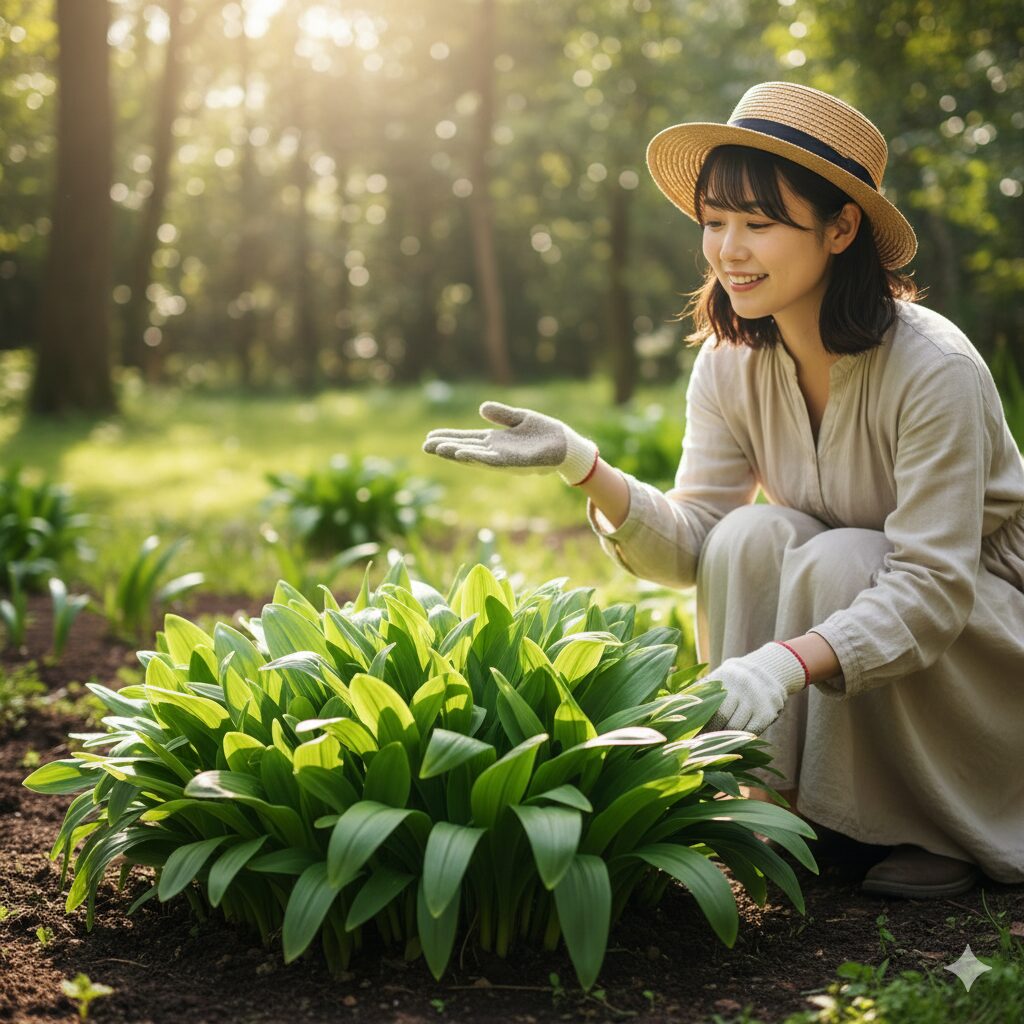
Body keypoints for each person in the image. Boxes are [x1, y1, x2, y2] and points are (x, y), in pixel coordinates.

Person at [422, 81, 1024, 899]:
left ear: (841, 228)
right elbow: (697, 542)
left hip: (981, 638)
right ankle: (778, 804)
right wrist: (583, 465)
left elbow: (932, 585)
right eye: (714, 222)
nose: (728, 250)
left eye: (760, 224)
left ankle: (926, 819)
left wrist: (782, 663)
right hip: (874, 609)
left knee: (843, 560)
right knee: (750, 536)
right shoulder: (731, 361)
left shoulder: (934, 370)